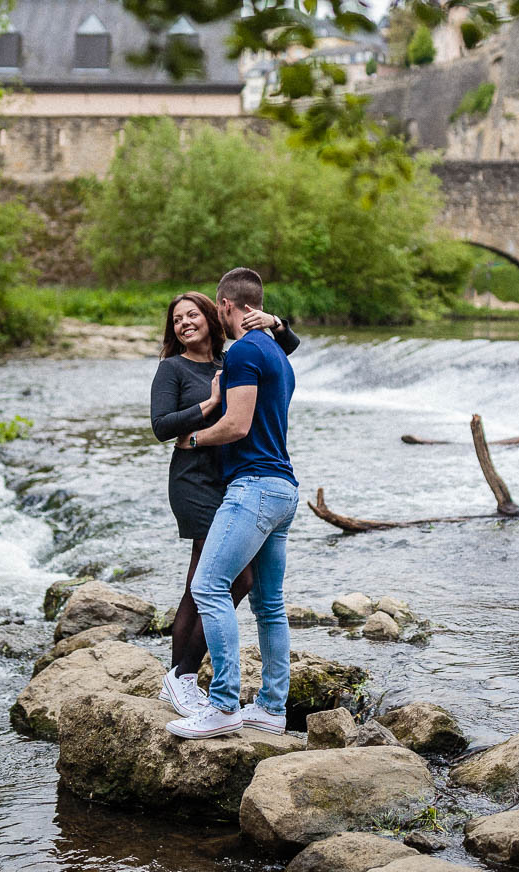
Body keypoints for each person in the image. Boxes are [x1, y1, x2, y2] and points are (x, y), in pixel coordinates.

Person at [149, 290, 298, 718]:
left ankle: (182, 677)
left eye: (192, 315)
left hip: (233, 480)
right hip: (195, 480)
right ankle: (182, 677)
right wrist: (210, 405)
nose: (184, 324)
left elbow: (285, 349)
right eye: (177, 320)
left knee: (223, 580)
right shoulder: (172, 369)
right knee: (218, 577)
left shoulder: (231, 360)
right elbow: (161, 426)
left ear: (214, 316)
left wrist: (274, 321)